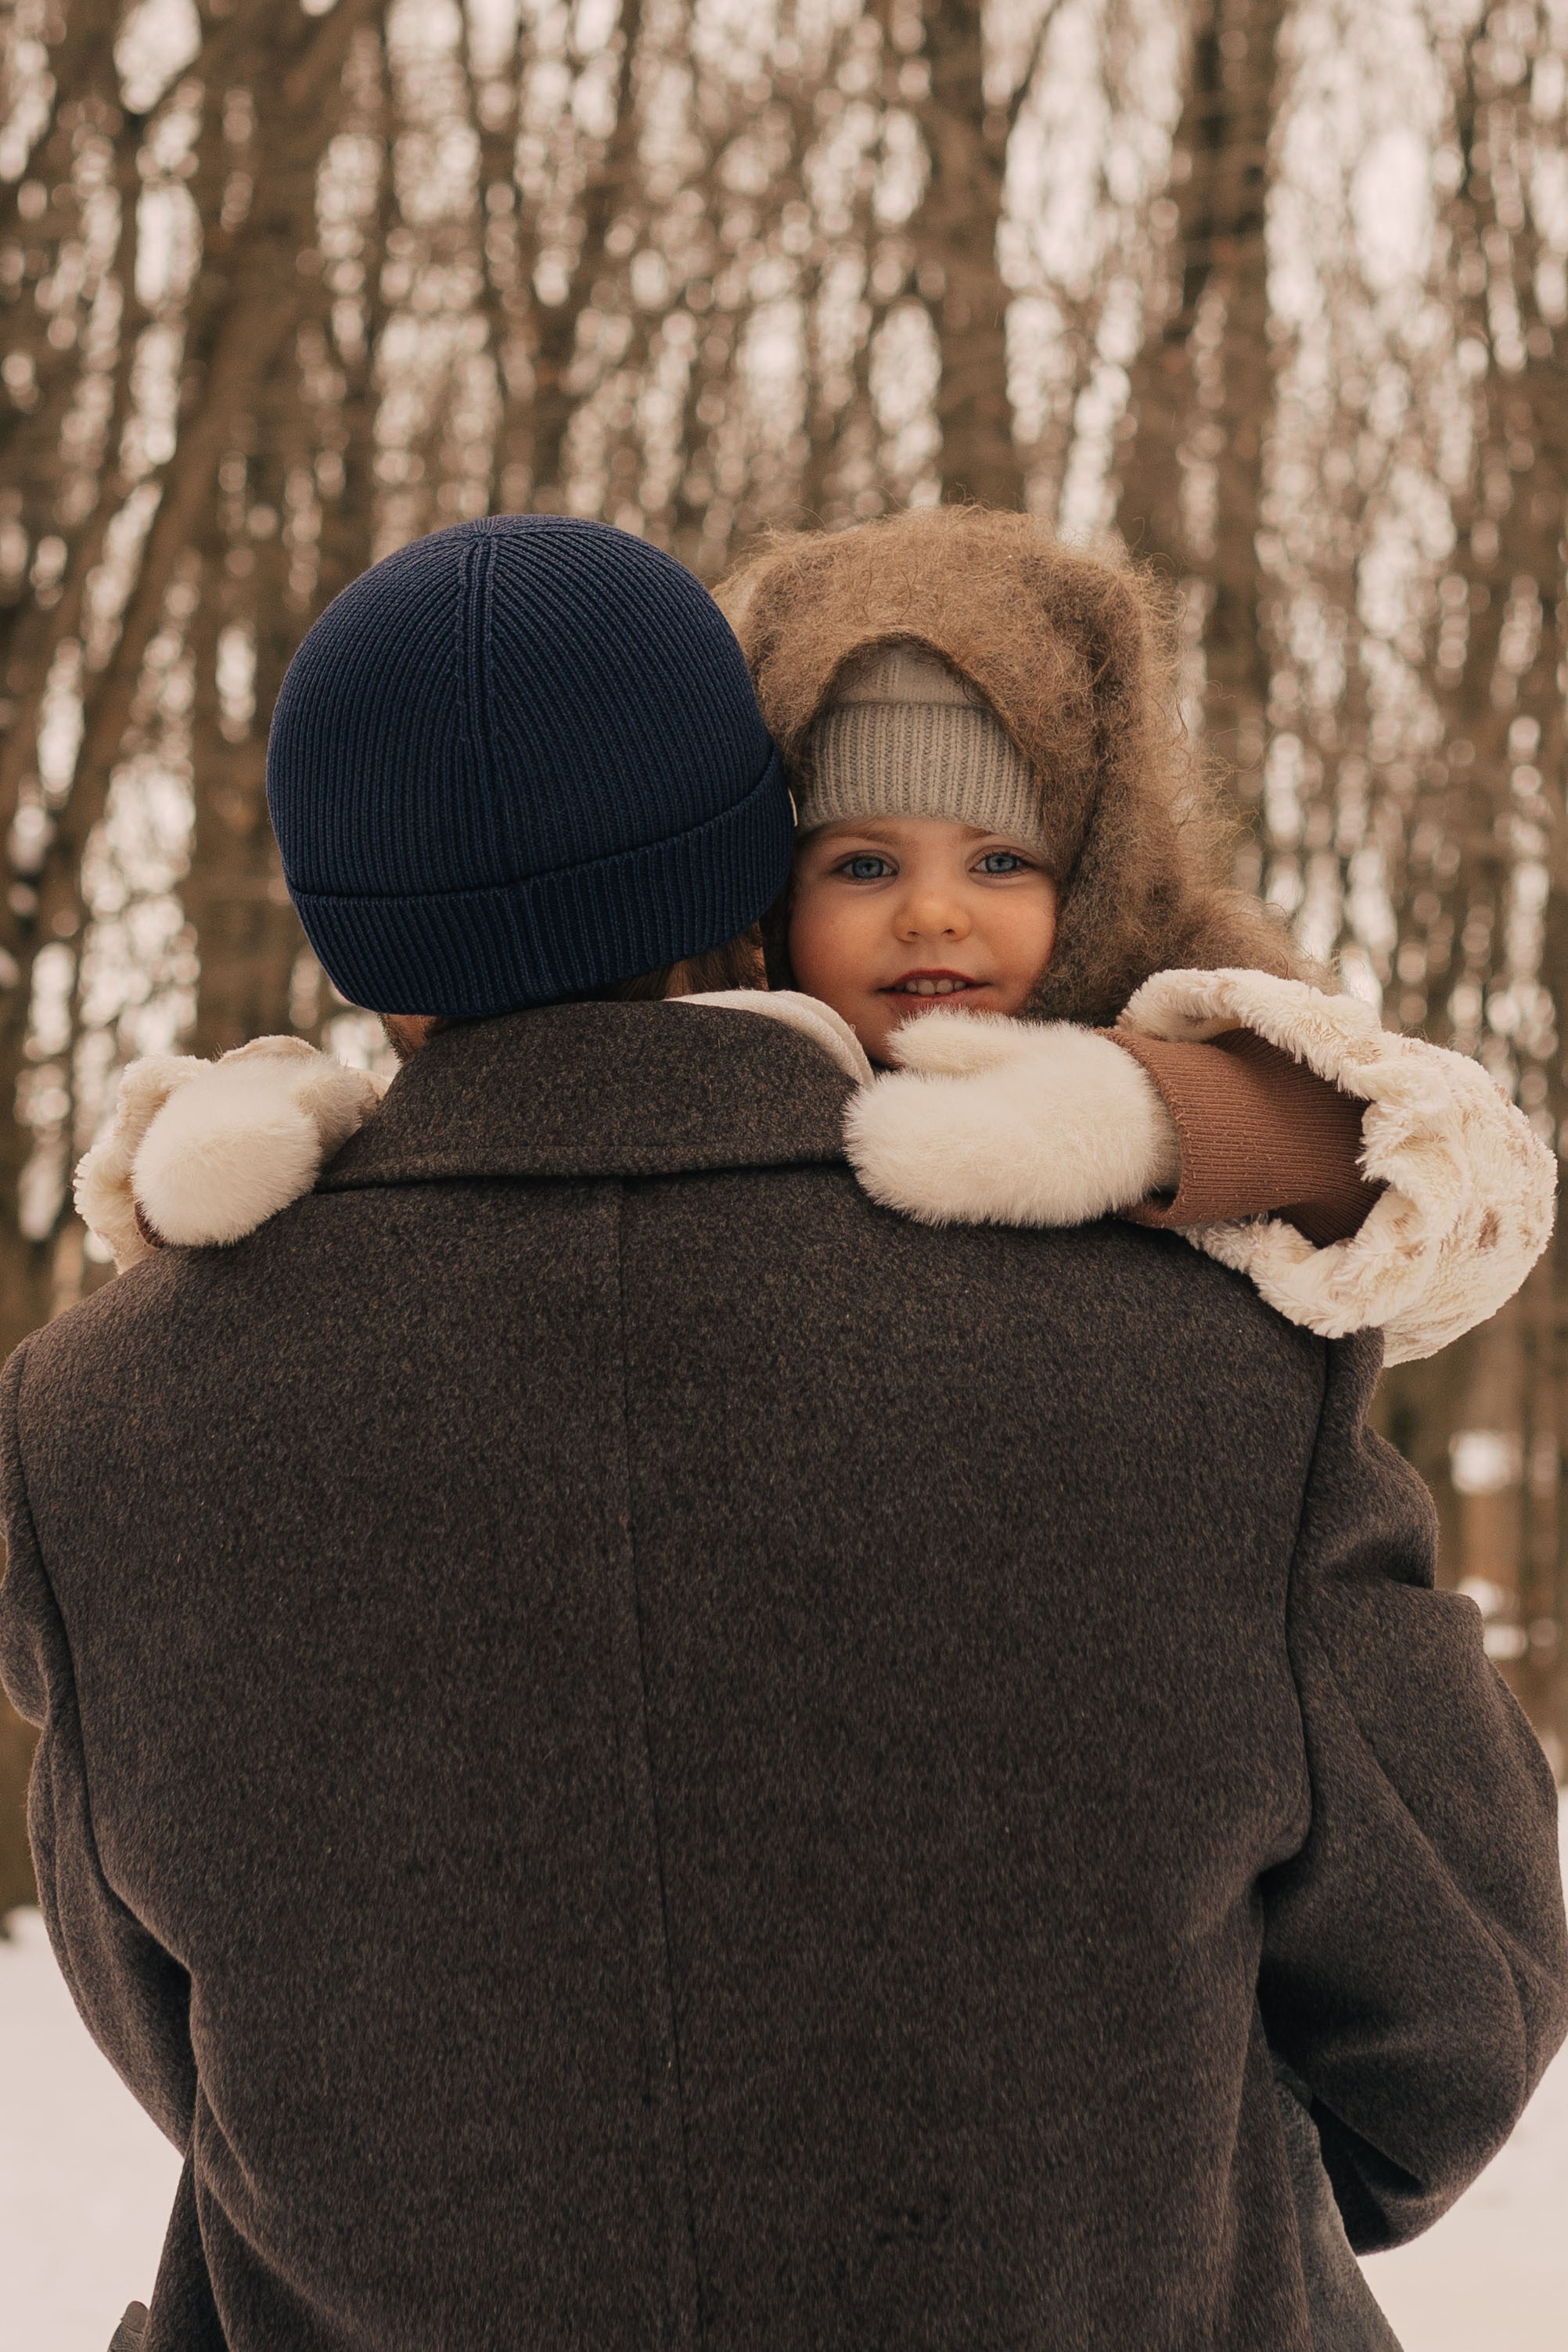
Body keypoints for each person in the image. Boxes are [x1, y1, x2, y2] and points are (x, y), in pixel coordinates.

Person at [5, 515, 1565, 2352]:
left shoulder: (99, 1421)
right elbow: (1454, 2016)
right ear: (746, 860)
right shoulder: (1204, 1367)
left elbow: (189, 2044)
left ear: (348, 923)